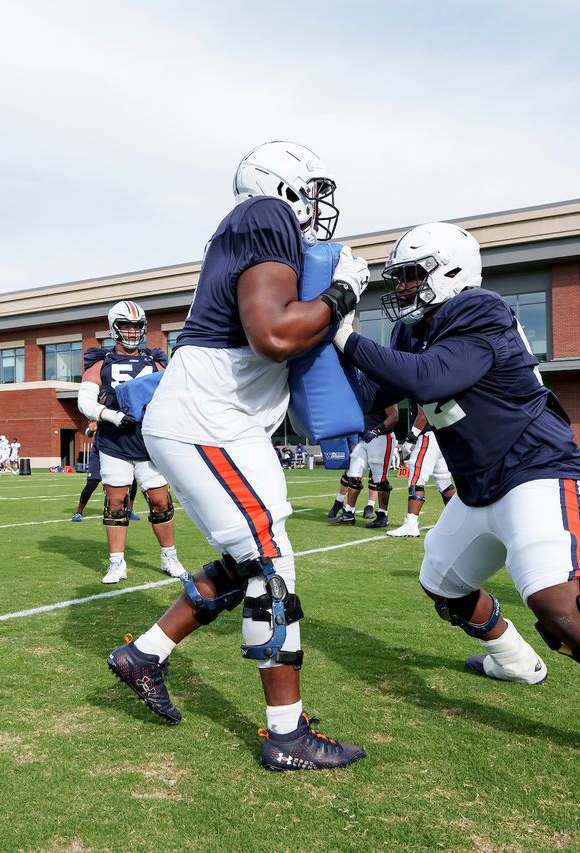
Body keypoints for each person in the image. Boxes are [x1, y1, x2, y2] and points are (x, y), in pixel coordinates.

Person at [332, 221, 580, 809]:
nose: (403, 288)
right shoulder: (409, 329)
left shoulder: (481, 309)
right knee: (443, 585)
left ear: (450, 271)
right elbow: (370, 398)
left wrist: (344, 336)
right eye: (399, 277)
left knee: (563, 610)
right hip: (481, 485)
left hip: (536, 469)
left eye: (413, 275)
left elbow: (432, 378)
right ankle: (513, 660)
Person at [109, 141, 369, 770]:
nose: (315, 207)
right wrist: (341, 294)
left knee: (246, 560)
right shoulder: (263, 215)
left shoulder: (259, 226)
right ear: (283, 187)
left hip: (224, 423)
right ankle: (286, 736)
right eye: (309, 192)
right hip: (208, 421)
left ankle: (145, 654)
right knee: (273, 569)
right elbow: (275, 333)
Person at [76, 300, 185, 584]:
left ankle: (169, 556)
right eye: (126, 325)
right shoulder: (101, 361)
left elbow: (176, 393)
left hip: (149, 442)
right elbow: (84, 401)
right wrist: (112, 415)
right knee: (116, 501)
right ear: (114, 328)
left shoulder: (157, 360)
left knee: (161, 501)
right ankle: (116, 563)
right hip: (114, 442)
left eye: (136, 326)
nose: (132, 331)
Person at [328, 385, 399, 529]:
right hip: (364, 438)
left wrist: (376, 430)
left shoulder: (383, 389)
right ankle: (349, 513)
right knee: (354, 475)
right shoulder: (359, 390)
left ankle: (382, 516)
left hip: (381, 438)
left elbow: (394, 416)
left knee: (380, 480)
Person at [388, 410, 456, 538]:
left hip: (428, 436)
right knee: (445, 483)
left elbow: (423, 414)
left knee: (416, 479)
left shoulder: (423, 389)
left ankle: (411, 525)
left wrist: (410, 438)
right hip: (442, 434)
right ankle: (458, 520)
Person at [72, 422, 140, 522]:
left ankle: (129, 510)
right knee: (92, 483)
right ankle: (79, 512)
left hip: (117, 452)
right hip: (99, 453)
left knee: (132, 479)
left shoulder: (123, 415)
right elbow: (89, 432)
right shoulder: (103, 413)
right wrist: (91, 430)